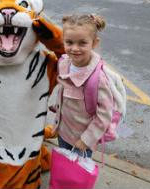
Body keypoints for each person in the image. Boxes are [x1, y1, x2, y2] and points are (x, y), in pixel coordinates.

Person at [48, 13, 121, 160]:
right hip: (63, 131)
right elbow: (66, 90)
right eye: (69, 42)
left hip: (81, 139)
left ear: (94, 43)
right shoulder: (63, 64)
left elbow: (104, 116)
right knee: (65, 166)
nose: (75, 48)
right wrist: (58, 106)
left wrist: (86, 140)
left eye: (82, 43)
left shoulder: (98, 79)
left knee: (77, 174)